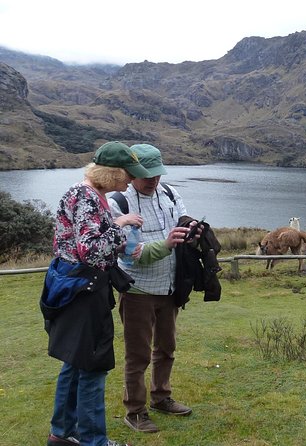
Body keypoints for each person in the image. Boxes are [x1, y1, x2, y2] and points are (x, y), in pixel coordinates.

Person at [41, 141, 150, 446]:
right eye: (128, 174)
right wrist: (121, 224)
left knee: (75, 364)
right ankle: (92, 440)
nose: (130, 180)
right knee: (92, 366)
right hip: (85, 291)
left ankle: (62, 434)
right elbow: (91, 250)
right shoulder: (87, 196)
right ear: (113, 172)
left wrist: (114, 226)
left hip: (76, 287)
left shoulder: (87, 194)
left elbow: (85, 239)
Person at [109, 144, 195, 434]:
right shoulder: (118, 203)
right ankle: (135, 412)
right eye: (147, 175)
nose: (153, 180)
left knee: (167, 348)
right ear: (131, 172)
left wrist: (191, 227)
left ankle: (161, 397)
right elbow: (130, 254)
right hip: (138, 292)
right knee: (138, 355)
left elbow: (182, 219)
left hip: (169, 289)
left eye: (157, 174)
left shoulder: (169, 193)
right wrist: (168, 244)